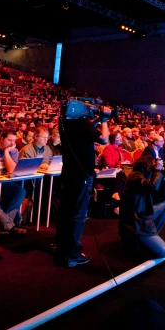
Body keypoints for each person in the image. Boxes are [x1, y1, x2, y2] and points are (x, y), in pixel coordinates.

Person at [54, 107, 109, 268]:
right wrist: (104, 120)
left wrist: (97, 120)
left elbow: (87, 130)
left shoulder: (66, 123)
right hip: (82, 175)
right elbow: (104, 139)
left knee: (66, 212)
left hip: (70, 174)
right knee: (78, 214)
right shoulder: (83, 126)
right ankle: (73, 255)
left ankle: (62, 251)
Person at [119, 155, 165, 259]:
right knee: (163, 252)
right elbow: (152, 187)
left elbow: (160, 197)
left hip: (143, 214)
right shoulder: (135, 177)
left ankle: (150, 237)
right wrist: (158, 171)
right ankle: (141, 241)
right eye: (152, 166)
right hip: (136, 222)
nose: (153, 168)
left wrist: (164, 178)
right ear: (145, 167)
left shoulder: (143, 178)